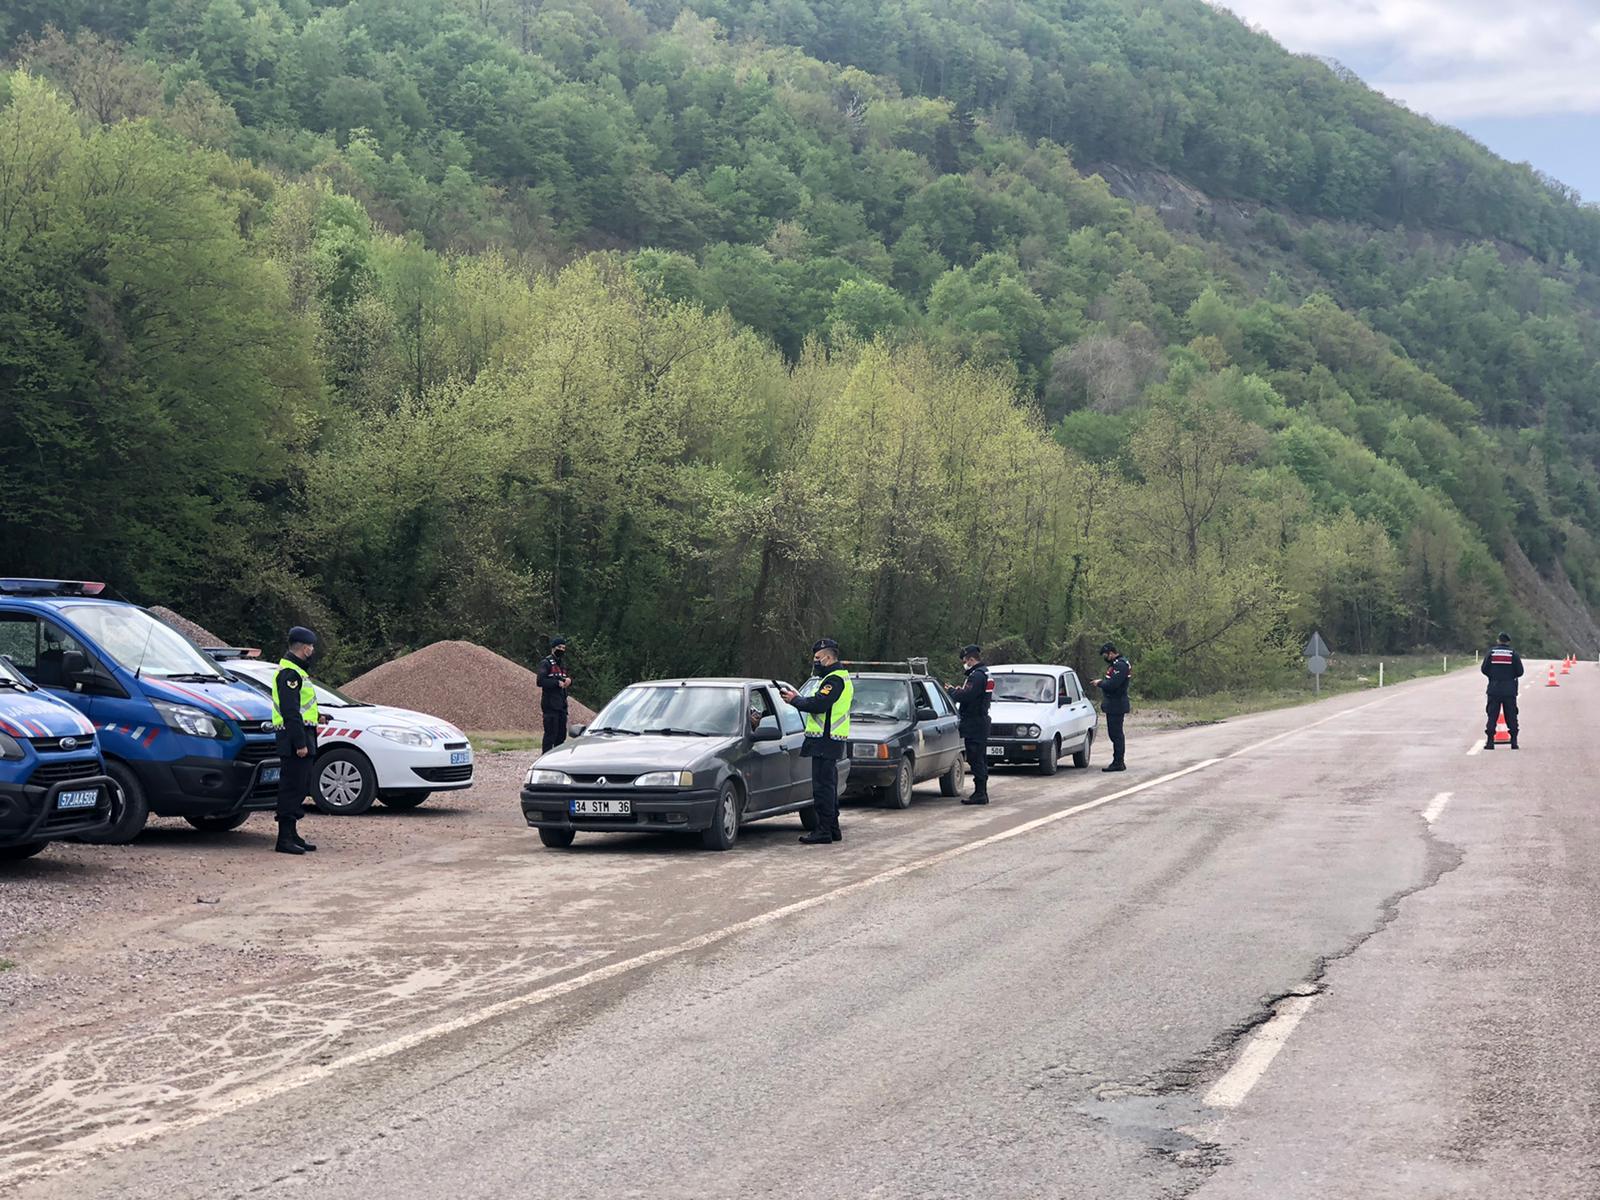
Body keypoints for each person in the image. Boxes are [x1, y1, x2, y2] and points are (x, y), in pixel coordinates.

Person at [780, 638, 853, 845]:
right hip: (827, 739)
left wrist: (795, 700)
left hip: (826, 740)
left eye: (818, 658)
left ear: (828, 658)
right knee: (828, 786)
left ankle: (823, 831)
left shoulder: (834, 680)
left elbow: (819, 704)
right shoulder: (835, 678)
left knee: (822, 788)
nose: (815, 662)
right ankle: (832, 829)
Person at [270, 627, 321, 856]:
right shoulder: (289, 674)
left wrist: (318, 717)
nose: (312, 650)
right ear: (304, 647)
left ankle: (292, 834)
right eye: (311, 646)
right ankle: (284, 838)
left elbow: (301, 708)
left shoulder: (297, 672)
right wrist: (300, 744)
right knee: (291, 787)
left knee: (300, 785)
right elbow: (290, 713)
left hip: (302, 734)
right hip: (294, 739)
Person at [946, 644, 993, 805]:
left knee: (975, 758)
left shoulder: (977, 675)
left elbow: (967, 696)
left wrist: (952, 691)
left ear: (971, 659)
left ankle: (981, 794)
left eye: (965, 661)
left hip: (975, 722)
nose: (964, 664)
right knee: (979, 758)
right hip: (979, 721)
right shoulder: (985, 673)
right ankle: (981, 792)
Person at [1089, 640, 1131, 773]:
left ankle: (1118, 762)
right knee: (1114, 734)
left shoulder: (1121, 665)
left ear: (1111, 653)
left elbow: (1113, 684)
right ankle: (1118, 761)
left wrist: (1100, 683)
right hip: (1112, 703)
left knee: (1116, 734)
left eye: (1106, 655)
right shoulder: (1116, 664)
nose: (1105, 658)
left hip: (1117, 704)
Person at [1481, 631, 1524, 750]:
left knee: (1492, 715)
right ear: (1508, 642)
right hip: (1509, 690)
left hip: (1494, 689)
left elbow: (1484, 669)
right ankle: (1514, 742)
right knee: (1511, 715)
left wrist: (1493, 676)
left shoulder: (1491, 652)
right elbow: (1520, 672)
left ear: (1498, 640)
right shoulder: (1513, 654)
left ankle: (1490, 742)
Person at [536, 636, 572, 754]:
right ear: (553, 648)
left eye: (563, 648)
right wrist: (556, 683)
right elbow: (540, 681)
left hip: (562, 704)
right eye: (559, 647)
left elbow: (565, 678)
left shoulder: (563, 664)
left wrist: (568, 681)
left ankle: (557, 757)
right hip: (550, 705)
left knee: (561, 735)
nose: (561, 650)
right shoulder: (545, 663)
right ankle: (545, 757)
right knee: (550, 734)